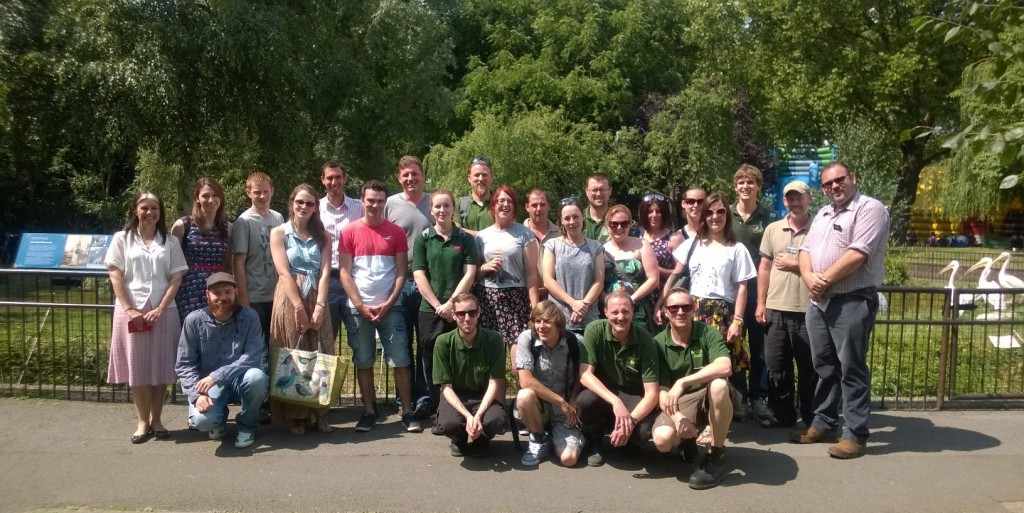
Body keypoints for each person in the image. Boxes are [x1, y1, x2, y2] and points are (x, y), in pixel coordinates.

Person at [795, 162, 889, 459]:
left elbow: (859, 252)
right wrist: (810, 278)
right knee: (824, 366)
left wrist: (822, 280)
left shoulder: (870, 209)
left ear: (853, 178)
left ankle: (855, 434)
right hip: (819, 301)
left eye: (839, 180)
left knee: (851, 367)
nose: (834, 187)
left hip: (851, 299)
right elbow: (805, 251)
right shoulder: (823, 213)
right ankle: (824, 422)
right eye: (827, 184)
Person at [660, 193, 756, 425]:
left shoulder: (737, 248)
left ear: (727, 215)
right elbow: (675, 275)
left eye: (720, 212)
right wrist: (663, 304)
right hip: (692, 308)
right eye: (710, 213)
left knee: (721, 367)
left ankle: (721, 420)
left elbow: (741, 288)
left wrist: (738, 320)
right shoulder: (692, 244)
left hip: (722, 312)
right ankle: (702, 417)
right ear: (703, 217)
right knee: (697, 363)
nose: (715, 217)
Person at [105, 191, 188, 444]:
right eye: (145, 208)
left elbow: (176, 277)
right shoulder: (122, 239)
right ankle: (142, 421)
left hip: (164, 311)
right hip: (131, 311)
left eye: (155, 208)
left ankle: (158, 419)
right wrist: (130, 308)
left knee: (161, 368)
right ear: (135, 210)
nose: (150, 212)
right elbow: (115, 274)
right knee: (138, 368)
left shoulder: (170, 242)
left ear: (160, 212)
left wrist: (161, 307)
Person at [340, 180, 418, 433]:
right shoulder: (349, 232)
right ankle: (369, 411)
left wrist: (389, 303)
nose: (375, 205)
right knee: (363, 360)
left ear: (385, 203)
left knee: (401, 360)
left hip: (390, 307)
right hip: (357, 308)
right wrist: (360, 304)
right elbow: (344, 272)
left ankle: (407, 411)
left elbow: (401, 272)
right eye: (370, 200)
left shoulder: (395, 233)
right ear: (362, 201)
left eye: (380, 201)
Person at [268, 184, 334, 435]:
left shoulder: (324, 236)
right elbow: (283, 271)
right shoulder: (279, 233)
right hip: (289, 294)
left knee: (321, 350)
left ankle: (319, 412)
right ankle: (296, 414)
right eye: (300, 202)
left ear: (316, 207)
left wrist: (319, 306)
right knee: (293, 352)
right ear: (292, 203)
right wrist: (297, 306)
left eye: (309, 203)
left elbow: (326, 271)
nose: (304, 207)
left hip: (317, 292)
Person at [175, 272, 269, 449]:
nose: (223, 297)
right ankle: (218, 419)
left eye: (227, 292)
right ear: (207, 295)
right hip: (208, 387)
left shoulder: (250, 317)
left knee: (257, 378)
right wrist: (196, 396)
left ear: (236, 291)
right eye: (217, 293)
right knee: (201, 422)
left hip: (241, 379)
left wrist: (218, 375)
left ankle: (247, 426)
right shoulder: (194, 320)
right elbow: (184, 363)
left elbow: (253, 357)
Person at [652, 288, 734, 490]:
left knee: (719, 385)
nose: (680, 312)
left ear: (694, 310)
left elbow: (725, 366)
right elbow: (661, 391)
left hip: (709, 395)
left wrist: (683, 381)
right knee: (662, 441)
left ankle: (717, 454)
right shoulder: (658, 343)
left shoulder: (708, 332)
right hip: (681, 402)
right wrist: (678, 417)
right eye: (674, 307)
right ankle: (686, 441)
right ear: (665, 312)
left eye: (686, 307)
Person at [412, 189, 479, 422]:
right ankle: (436, 406)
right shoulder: (423, 239)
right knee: (430, 359)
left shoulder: (465, 239)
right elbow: (419, 274)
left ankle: (459, 408)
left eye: (446, 206)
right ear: (431, 211)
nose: (442, 210)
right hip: (430, 310)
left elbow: (470, 273)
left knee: (459, 358)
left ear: (453, 209)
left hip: (460, 311)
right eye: (437, 206)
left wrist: (451, 304)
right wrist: (438, 305)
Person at [756, 181, 816, 429]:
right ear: (784, 202)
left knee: (809, 369)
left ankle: (814, 418)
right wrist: (761, 303)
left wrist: (795, 264)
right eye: (790, 199)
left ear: (809, 199)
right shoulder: (773, 229)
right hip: (776, 308)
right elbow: (765, 267)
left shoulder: (820, 228)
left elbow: (826, 264)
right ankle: (783, 415)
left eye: (799, 198)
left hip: (809, 309)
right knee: (777, 366)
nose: (795, 203)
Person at [577, 291, 660, 466]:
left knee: (643, 432)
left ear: (633, 311)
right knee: (585, 401)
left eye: (625, 312)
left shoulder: (646, 340)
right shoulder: (594, 330)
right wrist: (615, 402)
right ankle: (594, 441)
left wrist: (630, 421)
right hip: (604, 393)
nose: (620, 317)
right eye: (615, 312)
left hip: (632, 394)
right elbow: (585, 375)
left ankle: (629, 438)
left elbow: (652, 394)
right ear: (606, 312)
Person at [384, 156, 434, 417]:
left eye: (415, 174)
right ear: (399, 177)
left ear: (422, 175)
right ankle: (403, 397)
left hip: (427, 282)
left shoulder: (433, 202)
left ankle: (424, 397)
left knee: (426, 342)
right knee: (401, 343)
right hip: (399, 282)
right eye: (405, 175)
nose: (410, 179)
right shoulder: (389, 204)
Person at [432, 293, 508, 457]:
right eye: (461, 313)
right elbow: (446, 387)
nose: (467, 318)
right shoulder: (443, 342)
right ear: (453, 315)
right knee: (448, 423)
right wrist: (468, 416)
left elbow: (495, 382)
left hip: (484, 396)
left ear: (479, 312)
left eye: (472, 313)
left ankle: (482, 441)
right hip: (456, 397)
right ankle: (458, 439)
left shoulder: (494, 339)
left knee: (497, 421)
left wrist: (478, 415)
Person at [731, 165, 778, 423]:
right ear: (735, 187)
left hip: (760, 294)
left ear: (758, 186)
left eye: (751, 182)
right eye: (741, 183)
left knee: (760, 349)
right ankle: (739, 399)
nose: (746, 187)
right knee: (735, 347)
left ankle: (759, 399)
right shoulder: (725, 215)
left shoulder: (769, 216)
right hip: (734, 293)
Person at [514, 301, 585, 467]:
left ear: (558, 324)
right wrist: (560, 402)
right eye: (537, 321)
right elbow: (525, 380)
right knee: (524, 395)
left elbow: (581, 375)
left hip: (565, 413)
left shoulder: (575, 342)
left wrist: (573, 399)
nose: (541, 327)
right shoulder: (527, 338)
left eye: (547, 321)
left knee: (569, 459)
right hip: (540, 408)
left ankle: (556, 439)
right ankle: (538, 436)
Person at [475, 185, 541, 356]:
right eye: (500, 201)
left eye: (509, 201)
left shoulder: (525, 234)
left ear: (515, 207)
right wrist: (484, 267)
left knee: (519, 357)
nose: (505, 204)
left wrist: (535, 306)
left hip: (516, 299)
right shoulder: (482, 236)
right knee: (489, 357)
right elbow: (473, 273)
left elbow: (532, 274)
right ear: (494, 205)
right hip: (487, 298)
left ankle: (522, 383)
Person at [231, 172, 284, 358]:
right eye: (257, 192)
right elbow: (238, 262)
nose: (262, 196)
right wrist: (243, 298)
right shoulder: (243, 222)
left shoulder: (278, 218)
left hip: (277, 294)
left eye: (265, 191)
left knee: (276, 348)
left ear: (272, 192)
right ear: (248, 192)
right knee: (256, 348)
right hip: (255, 296)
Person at [171, 178, 232, 323]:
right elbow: (172, 264)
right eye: (205, 195)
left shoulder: (228, 227)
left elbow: (228, 263)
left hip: (217, 289)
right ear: (197, 198)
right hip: (188, 290)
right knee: (190, 332)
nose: (211, 200)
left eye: (215, 195)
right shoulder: (183, 225)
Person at [541, 199, 604, 335]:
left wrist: (583, 306)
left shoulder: (595, 247)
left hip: (589, 316)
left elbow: (599, 281)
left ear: (583, 217)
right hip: (559, 317)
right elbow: (548, 280)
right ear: (561, 221)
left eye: (575, 217)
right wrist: (573, 303)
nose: (572, 222)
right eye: (567, 218)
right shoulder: (552, 245)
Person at [319, 160, 364, 349]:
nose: (334, 181)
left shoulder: (359, 208)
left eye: (338, 177)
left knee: (360, 342)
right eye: (329, 177)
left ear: (344, 179)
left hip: (354, 279)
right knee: (325, 342)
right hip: (326, 280)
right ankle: (324, 379)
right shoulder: (315, 209)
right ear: (322, 180)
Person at [603, 204, 660, 333]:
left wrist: (631, 300)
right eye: (614, 224)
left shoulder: (642, 245)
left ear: (630, 224)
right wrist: (609, 304)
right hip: (611, 312)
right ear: (607, 225)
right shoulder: (600, 250)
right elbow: (597, 283)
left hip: (638, 308)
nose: (619, 227)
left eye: (624, 224)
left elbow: (653, 279)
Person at [638, 192, 679, 320]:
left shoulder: (673, 238)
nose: (654, 215)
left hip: (664, 295)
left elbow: (679, 273)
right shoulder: (636, 236)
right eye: (650, 211)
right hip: (640, 296)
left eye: (658, 211)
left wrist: (656, 270)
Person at [524, 188, 561, 300]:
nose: (539, 209)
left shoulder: (560, 234)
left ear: (548, 206)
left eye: (543, 204)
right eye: (534, 205)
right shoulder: (518, 234)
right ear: (527, 207)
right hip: (525, 297)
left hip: (555, 297)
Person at [458, 156, 495, 236]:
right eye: (477, 175)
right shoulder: (459, 204)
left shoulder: (500, 203)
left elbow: (506, 232)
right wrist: (486, 236)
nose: (481, 179)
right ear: (469, 178)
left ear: (491, 178)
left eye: (484, 175)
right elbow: (456, 231)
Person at [583, 173, 612, 243]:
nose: (598, 194)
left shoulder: (619, 221)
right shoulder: (577, 219)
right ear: (587, 191)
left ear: (610, 191)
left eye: (602, 189)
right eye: (594, 190)